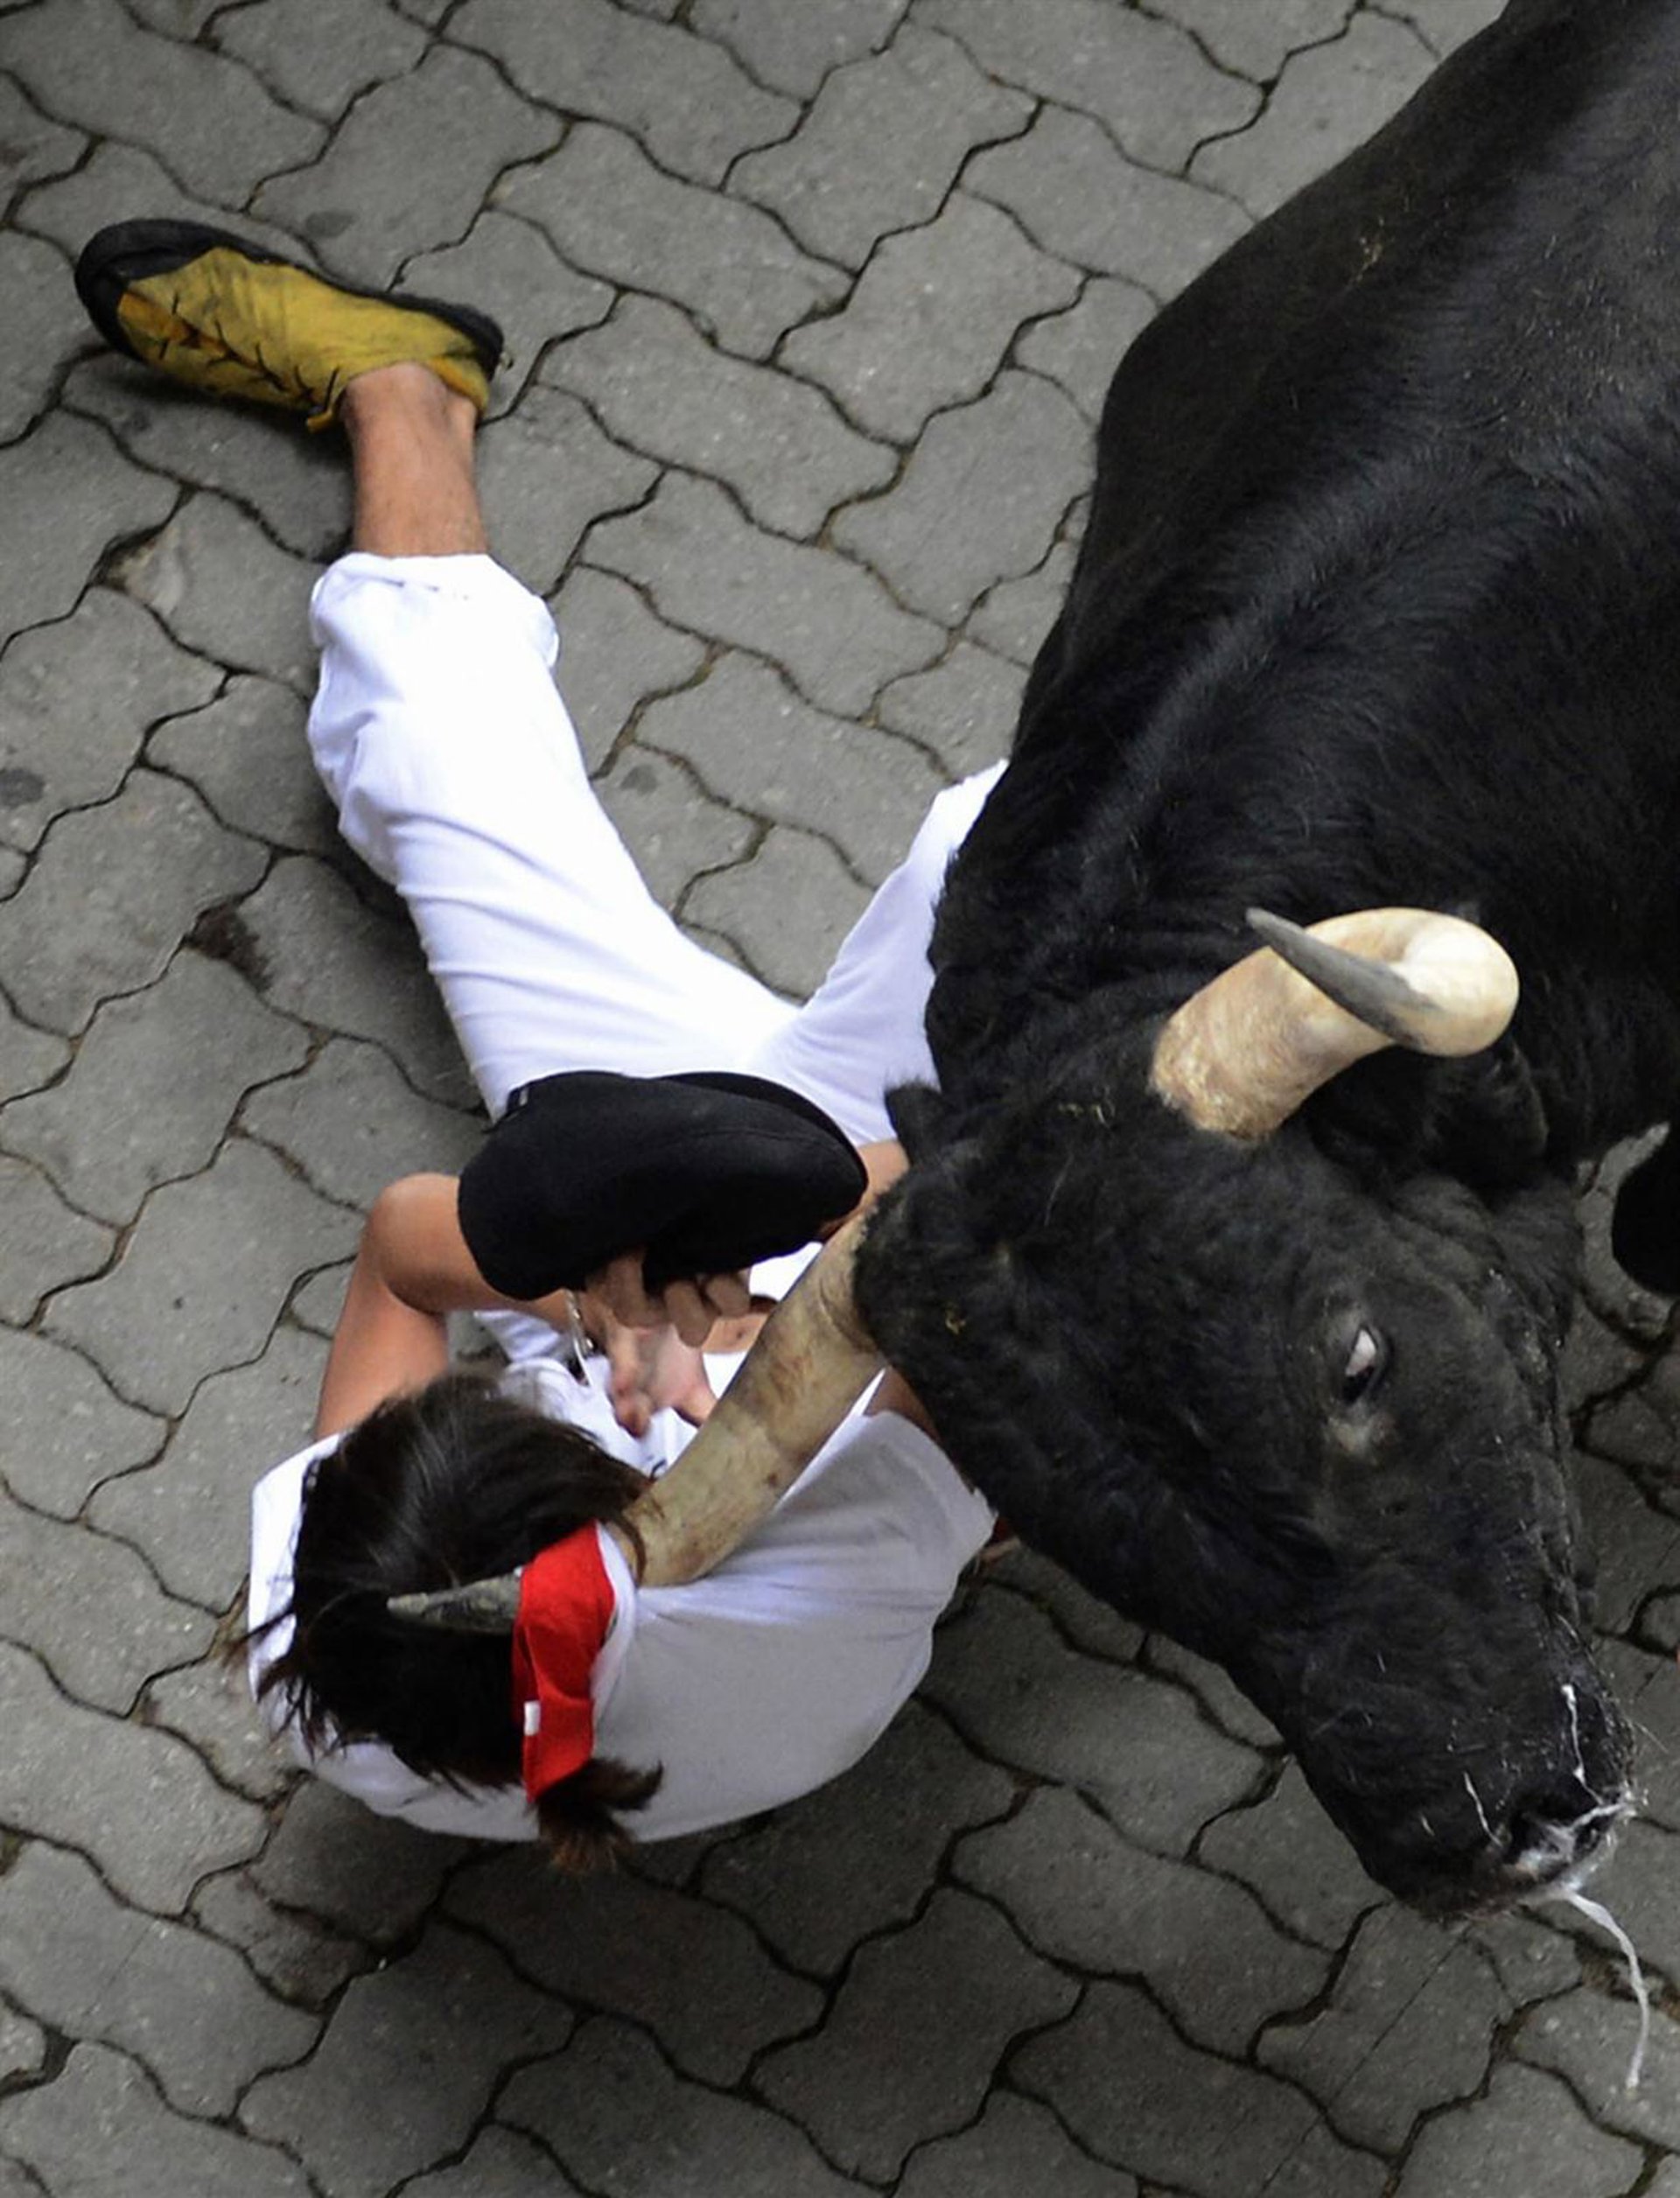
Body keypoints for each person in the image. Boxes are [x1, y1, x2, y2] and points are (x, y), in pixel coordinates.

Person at [74, 220, 1004, 1866]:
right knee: (991, 853)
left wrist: (593, 1280)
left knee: (435, 771)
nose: (518, 1394)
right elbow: (986, 1262)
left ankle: (403, 386)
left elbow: (400, 1250)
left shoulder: (327, 1618)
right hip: (941, 1314)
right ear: (636, 1532)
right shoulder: (805, 1640)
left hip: (686, 1223)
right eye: (526, 1416)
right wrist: (794, 1230)